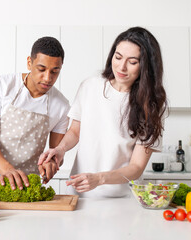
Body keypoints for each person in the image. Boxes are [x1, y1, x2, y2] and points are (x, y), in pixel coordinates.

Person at [38, 27, 168, 198]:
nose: (121, 67)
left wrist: (99, 179)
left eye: (133, 62)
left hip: (122, 199)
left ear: (146, 66)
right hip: (79, 194)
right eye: (118, 57)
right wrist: (60, 149)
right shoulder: (90, 86)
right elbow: (75, 131)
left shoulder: (152, 104)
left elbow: (136, 167)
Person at [0, 36, 70, 197]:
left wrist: (52, 162)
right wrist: (7, 169)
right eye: (41, 69)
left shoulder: (62, 106)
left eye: (55, 71)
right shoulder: (2, 85)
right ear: (29, 62)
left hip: (25, 188)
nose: (48, 78)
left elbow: (55, 151)